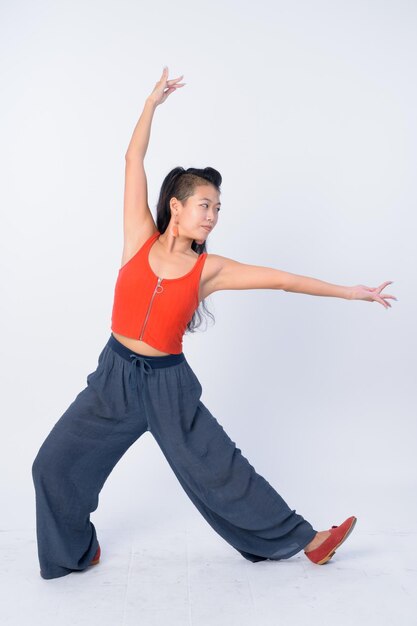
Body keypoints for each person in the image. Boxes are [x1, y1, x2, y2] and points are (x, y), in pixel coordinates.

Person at [31, 67, 397, 580]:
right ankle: (76, 551)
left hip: (167, 386)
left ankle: (310, 540)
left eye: (218, 208)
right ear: (176, 208)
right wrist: (150, 105)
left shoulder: (210, 270)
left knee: (220, 469)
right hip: (113, 376)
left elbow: (285, 280)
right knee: (52, 464)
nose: (213, 216)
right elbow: (133, 159)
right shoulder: (138, 237)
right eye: (205, 205)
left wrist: (350, 292)